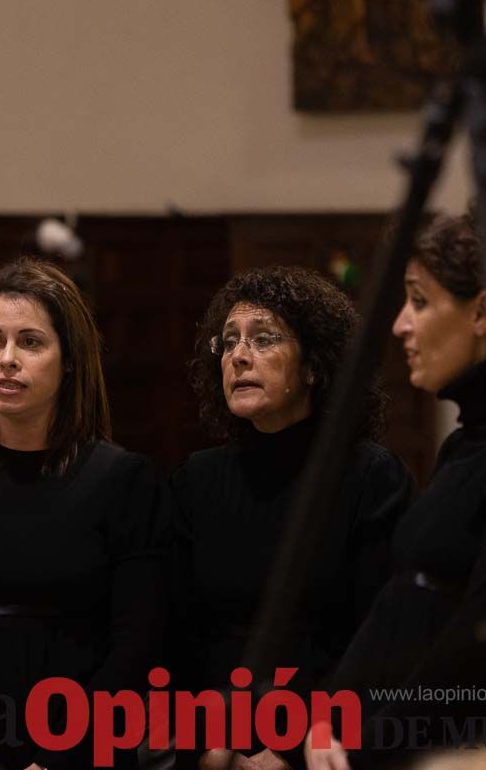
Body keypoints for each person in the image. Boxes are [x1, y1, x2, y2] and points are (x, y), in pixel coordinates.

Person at [304, 214, 486, 770]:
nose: (400, 325)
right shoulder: (464, 444)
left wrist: (372, 744)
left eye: (419, 301)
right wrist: (327, 717)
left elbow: (478, 640)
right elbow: (401, 604)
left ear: (484, 313)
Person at [0, 257, 171, 769]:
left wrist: (59, 758)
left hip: (76, 747)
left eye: (30, 342)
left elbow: (137, 645)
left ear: (70, 361)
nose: (7, 359)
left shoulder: (121, 478)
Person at [173, 266, 415, 768]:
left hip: (325, 740)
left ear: (312, 366)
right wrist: (213, 745)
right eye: (229, 343)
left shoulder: (370, 476)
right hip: (213, 742)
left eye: (263, 340)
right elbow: (180, 634)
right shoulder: (198, 478)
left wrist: (288, 751)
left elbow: (380, 637)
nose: (239, 356)